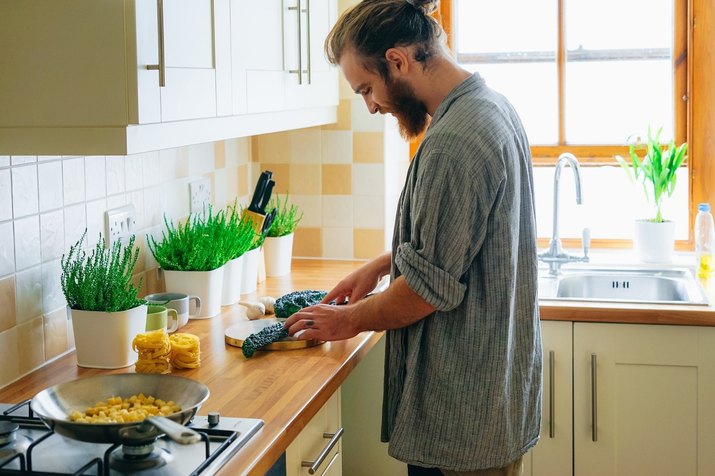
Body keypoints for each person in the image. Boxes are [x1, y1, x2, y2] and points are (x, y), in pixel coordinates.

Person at [283, 0, 542, 474]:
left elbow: (424, 292)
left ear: (398, 61)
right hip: (488, 406)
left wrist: (345, 322)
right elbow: (456, 242)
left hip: (462, 416)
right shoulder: (487, 106)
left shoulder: (453, 143)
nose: (371, 105)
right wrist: (380, 267)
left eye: (367, 88)